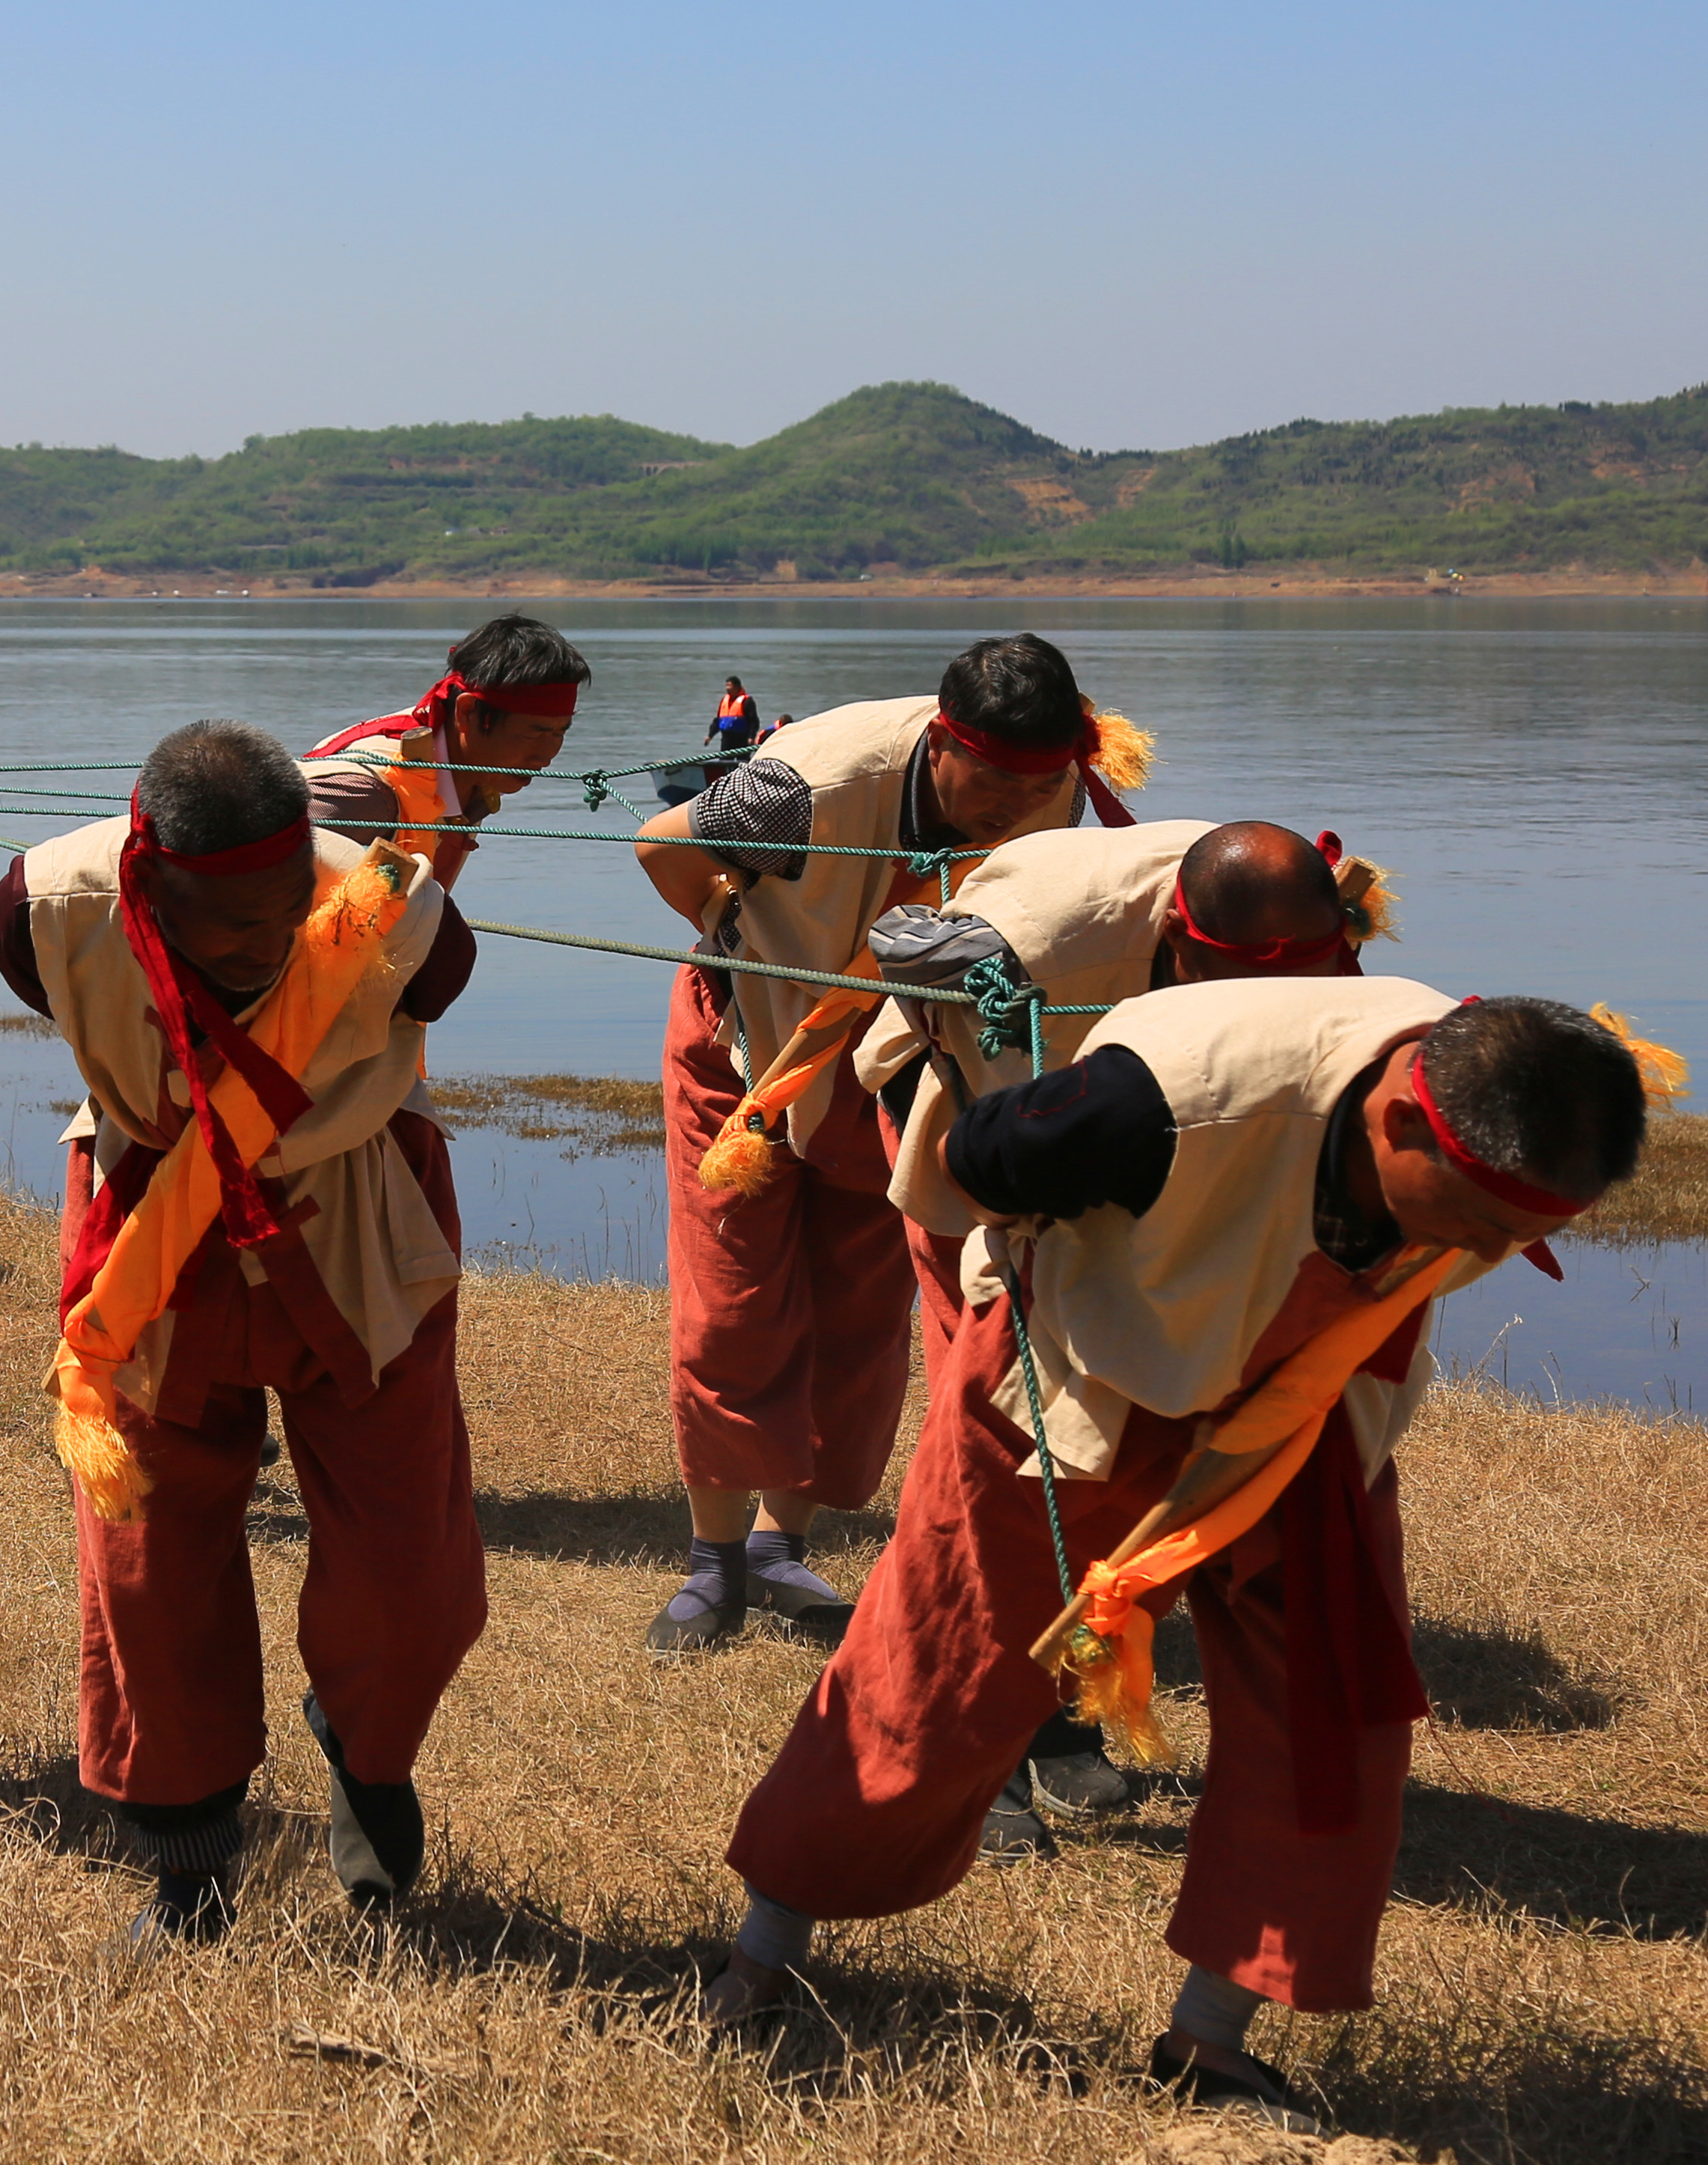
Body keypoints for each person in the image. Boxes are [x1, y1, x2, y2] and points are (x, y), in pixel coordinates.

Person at [708, 986, 1661, 2135]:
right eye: (1467, 1222)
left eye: (1513, 1236)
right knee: (930, 1675)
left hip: (1300, 1415)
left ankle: (1205, 2044)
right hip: (1077, 1394)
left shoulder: (1492, 1102)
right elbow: (959, 1166)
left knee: (1332, 1722)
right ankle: (758, 1959)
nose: (1477, 1254)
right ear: (1401, 1121)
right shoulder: (1155, 1101)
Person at [0, 720, 484, 1943]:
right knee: (149, 1561)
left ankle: (366, 1752)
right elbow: (49, 983)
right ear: (147, 877)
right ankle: (190, 1866)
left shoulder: (402, 918)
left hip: (355, 1215)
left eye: (283, 906)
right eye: (226, 918)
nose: (265, 939)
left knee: (406, 1562)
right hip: (152, 1229)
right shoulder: (44, 904)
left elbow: (419, 990)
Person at [857, 818, 1394, 1854]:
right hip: (984, 1114)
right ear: (1183, 951)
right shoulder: (1048, 933)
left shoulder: (1321, 947)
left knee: (1145, 1424)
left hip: (1164, 1143)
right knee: (1005, 1448)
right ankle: (976, 1750)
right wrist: (984, 1025)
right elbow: (971, 1126)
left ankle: (1061, 1704)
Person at [624, 633, 1147, 1654]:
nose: (1010, 801)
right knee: (728, 1305)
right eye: (989, 776)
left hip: (889, 1065)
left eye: (1036, 781)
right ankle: (712, 1561)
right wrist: (742, 939)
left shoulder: (1055, 793)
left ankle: (780, 1544)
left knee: (856, 1310)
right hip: (746, 1048)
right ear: (940, 742)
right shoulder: (800, 787)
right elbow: (659, 846)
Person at [298, 614, 592, 889]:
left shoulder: (475, 767)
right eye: (533, 733)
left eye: (560, 732)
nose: (547, 756)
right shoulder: (366, 795)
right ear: (466, 712)